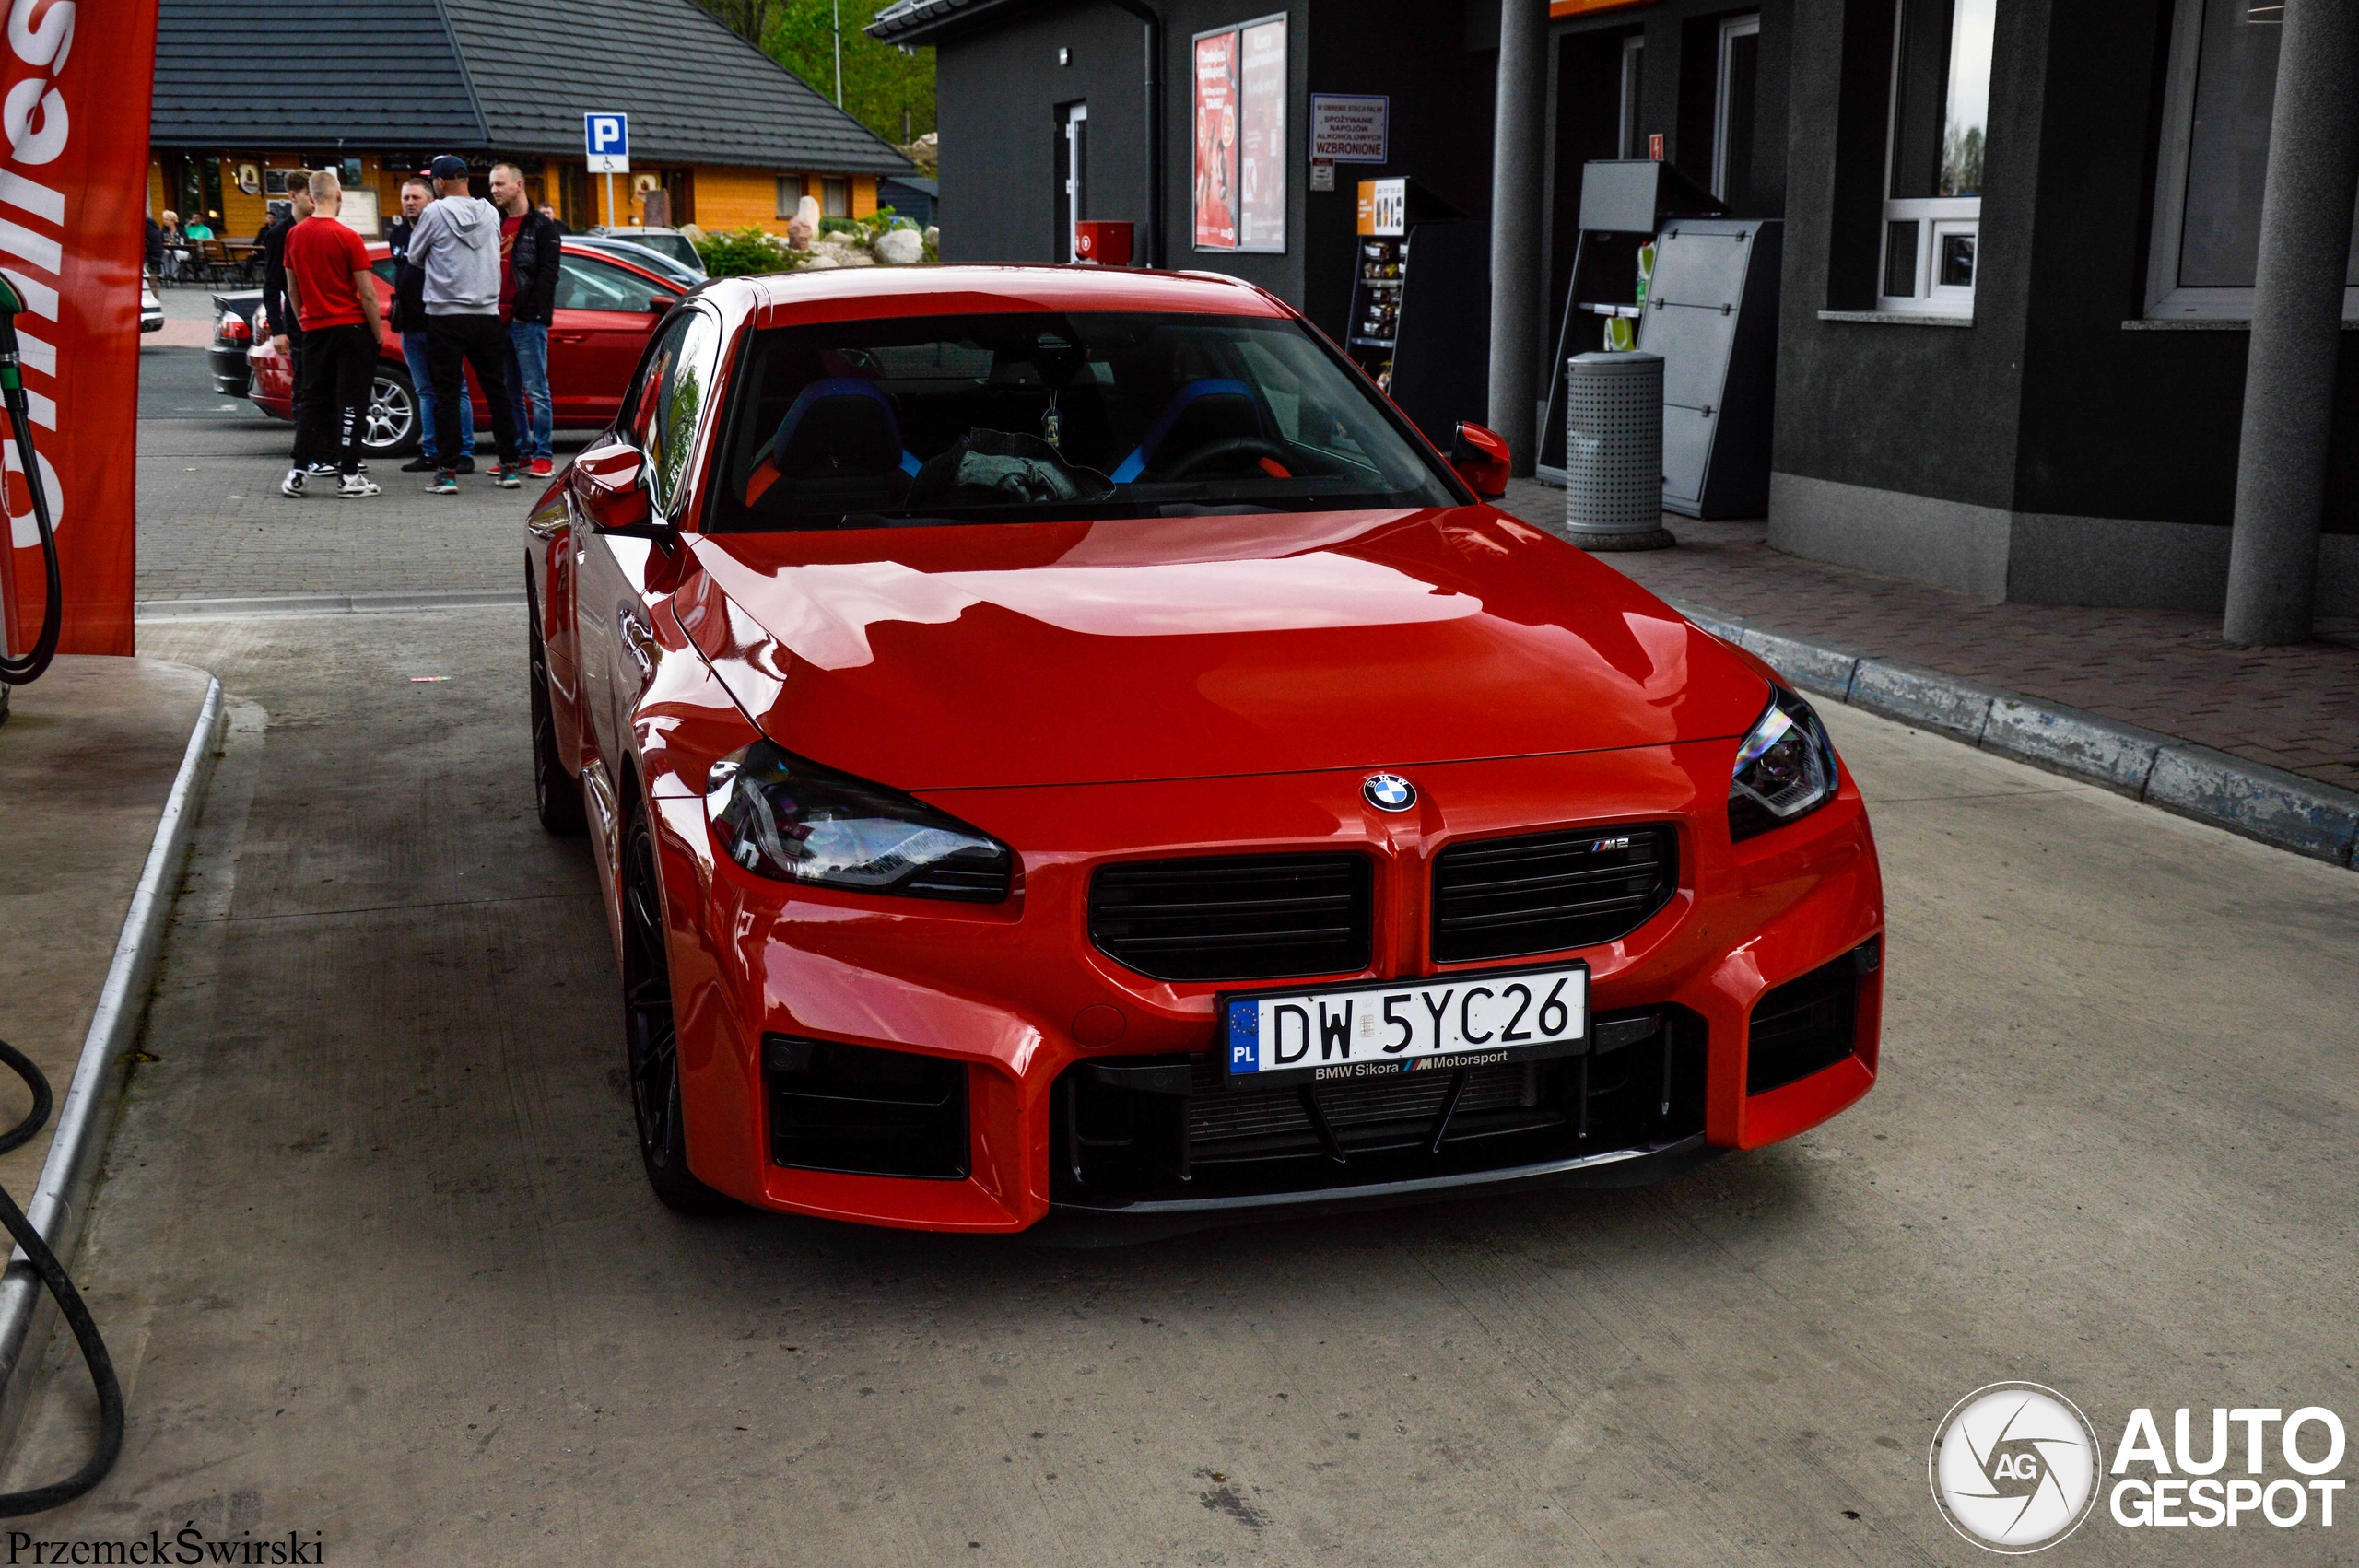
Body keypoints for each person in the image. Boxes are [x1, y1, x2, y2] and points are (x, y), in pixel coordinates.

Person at [406, 155, 521, 493]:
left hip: (445, 315)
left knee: (446, 394)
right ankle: (510, 467)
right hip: (486, 315)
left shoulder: (434, 212)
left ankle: (447, 472)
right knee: (497, 392)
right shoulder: (489, 212)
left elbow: (414, 256)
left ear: (440, 183)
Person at [277, 170, 384, 498]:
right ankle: (349, 475)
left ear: (310, 196)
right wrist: (377, 334)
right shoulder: (348, 237)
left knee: (313, 400)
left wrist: (305, 321)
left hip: (315, 329)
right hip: (351, 328)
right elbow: (367, 293)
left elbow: (292, 290)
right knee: (351, 402)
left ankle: (298, 472)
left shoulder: (294, 236)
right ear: (338, 196)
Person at [389, 176, 474, 474]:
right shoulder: (398, 235)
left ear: (431, 201)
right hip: (410, 327)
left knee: (455, 388)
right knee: (425, 391)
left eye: (416, 198)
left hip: (440, 322)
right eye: (406, 198)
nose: (410, 203)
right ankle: (431, 451)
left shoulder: (442, 230)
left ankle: (464, 452)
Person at [491, 163, 562, 479]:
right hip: (498, 318)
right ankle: (521, 452)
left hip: (526, 320)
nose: (494, 190)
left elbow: (548, 275)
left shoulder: (541, 227)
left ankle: (543, 453)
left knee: (536, 390)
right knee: (510, 392)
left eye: (500, 184)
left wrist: (526, 310)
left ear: (518, 185)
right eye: (492, 185)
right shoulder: (495, 224)